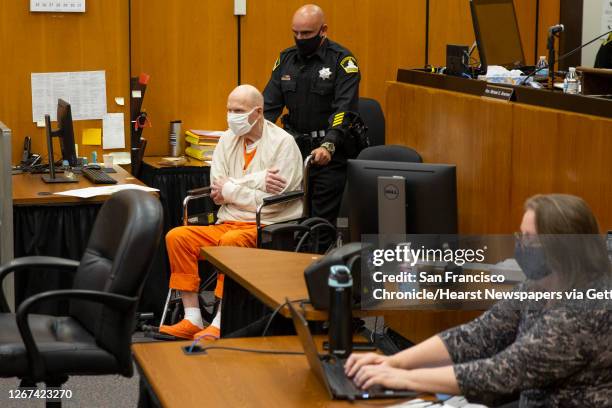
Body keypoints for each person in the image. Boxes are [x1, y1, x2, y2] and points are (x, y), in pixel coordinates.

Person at [345, 194, 612, 407]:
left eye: (530, 239)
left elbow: (502, 372)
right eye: (521, 236)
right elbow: (476, 335)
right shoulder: (539, 285)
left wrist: (403, 378)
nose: (520, 245)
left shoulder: (587, 308)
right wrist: (395, 362)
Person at [160, 84, 303, 340]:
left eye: (238, 110)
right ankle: (192, 318)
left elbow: (277, 201)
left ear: (257, 112)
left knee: (230, 243)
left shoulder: (284, 144)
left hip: (266, 225)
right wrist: (257, 181)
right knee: (177, 236)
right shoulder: (227, 139)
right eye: (229, 109)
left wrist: (232, 188)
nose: (231, 116)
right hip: (228, 221)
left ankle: (220, 320)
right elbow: (217, 189)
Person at [263, 4, 360, 225]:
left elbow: (344, 110)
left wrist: (329, 144)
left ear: (323, 30)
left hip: (329, 156)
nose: (300, 38)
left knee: (317, 223)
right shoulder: (286, 60)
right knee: (284, 216)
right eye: (295, 33)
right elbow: (268, 106)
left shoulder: (342, 61)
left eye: (306, 33)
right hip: (294, 152)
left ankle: (315, 257)